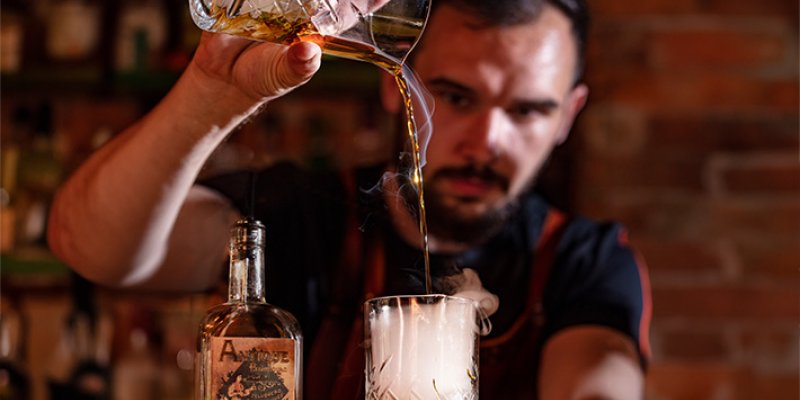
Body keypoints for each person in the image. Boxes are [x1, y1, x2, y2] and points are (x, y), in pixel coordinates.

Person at [47, 0, 652, 398]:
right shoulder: (302, 212)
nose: (487, 142)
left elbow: (599, 381)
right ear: (396, 81)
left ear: (568, 115)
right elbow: (91, 247)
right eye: (457, 97)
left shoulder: (585, 261)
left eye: (526, 110)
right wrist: (211, 91)